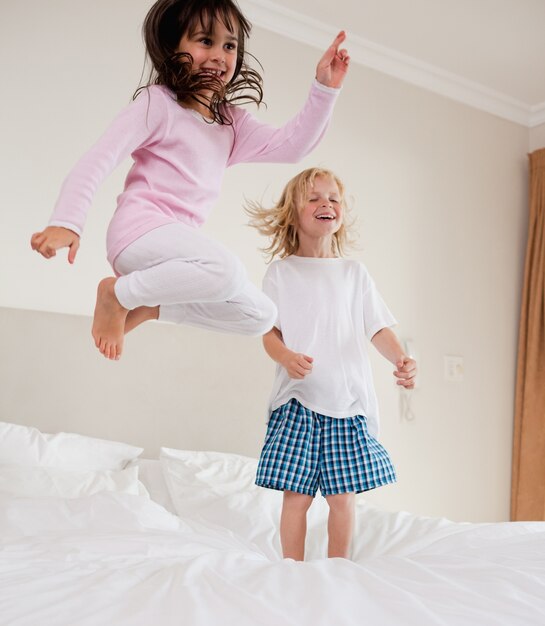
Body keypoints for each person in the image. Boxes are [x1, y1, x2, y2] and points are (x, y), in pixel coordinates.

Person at [30, 0, 350, 360]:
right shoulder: (158, 104)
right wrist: (66, 222)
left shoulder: (230, 124)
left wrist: (325, 89)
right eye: (205, 41)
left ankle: (151, 308)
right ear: (173, 47)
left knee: (262, 315)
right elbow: (98, 159)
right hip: (137, 233)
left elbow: (292, 146)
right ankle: (116, 294)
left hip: (175, 259)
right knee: (227, 270)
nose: (219, 55)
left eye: (229, 45)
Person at [247, 167, 417, 561]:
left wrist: (401, 358)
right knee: (297, 497)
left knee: (343, 499)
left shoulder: (354, 273)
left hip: (346, 401)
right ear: (293, 213)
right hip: (298, 403)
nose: (327, 204)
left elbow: (378, 328)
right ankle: (292, 568)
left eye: (334, 198)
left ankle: (339, 570)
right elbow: (269, 334)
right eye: (314, 197)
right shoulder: (281, 273)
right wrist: (287, 357)